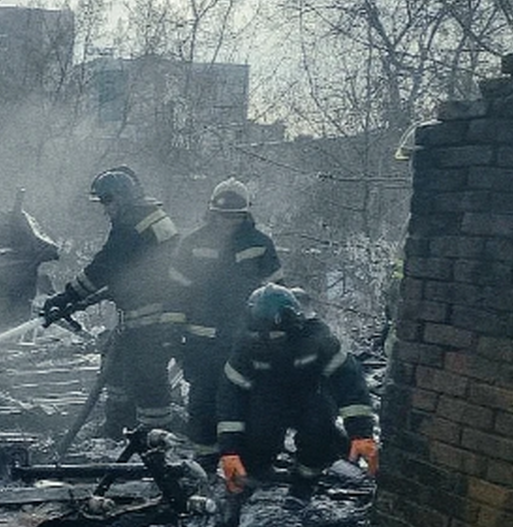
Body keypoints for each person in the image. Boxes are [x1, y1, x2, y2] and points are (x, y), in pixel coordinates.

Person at [41, 165, 181, 438]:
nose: (105, 209)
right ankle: (118, 429)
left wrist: (68, 296)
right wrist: (96, 295)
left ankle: (156, 437)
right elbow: (132, 267)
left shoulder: (132, 225)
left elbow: (105, 265)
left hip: (152, 314)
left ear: (123, 196)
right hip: (148, 308)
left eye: (108, 201)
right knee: (116, 368)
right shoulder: (151, 216)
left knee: (147, 377)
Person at [215, 283, 379, 508]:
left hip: (311, 396)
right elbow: (231, 397)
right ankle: (252, 476)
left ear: (293, 324)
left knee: (318, 433)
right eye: (261, 334)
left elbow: (349, 382)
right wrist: (230, 450)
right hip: (268, 399)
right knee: (257, 435)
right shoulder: (247, 343)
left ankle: (303, 485)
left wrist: (361, 433)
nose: (267, 341)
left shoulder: (318, 338)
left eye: (275, 335)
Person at [169, 177, 282, 472]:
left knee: (250, 398)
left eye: (234, 216)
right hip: (201, 342)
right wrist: (172, 335)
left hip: (246, 340)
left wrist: (278, 334)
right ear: (212, 212)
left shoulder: (260, 244)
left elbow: (276, 293)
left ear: (245, 213)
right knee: (204, 400)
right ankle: (206, 457)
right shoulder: (192, 243)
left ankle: (249, 460)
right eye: (223, 215)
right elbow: (176, 294)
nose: (228, 222)